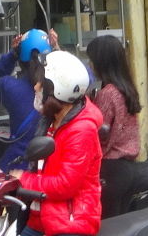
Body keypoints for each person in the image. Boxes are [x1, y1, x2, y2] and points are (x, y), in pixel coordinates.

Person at [11, 50, 103, 236]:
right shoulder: (52, 119)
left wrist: (23, 179)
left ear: (58, 90)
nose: (36, 88)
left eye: (42, 84)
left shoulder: (81, 129)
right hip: (40, 218)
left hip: (68, 223)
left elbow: (65, 184)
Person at [0, 29, 55, 169]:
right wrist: (58, 49)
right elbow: (85, 79)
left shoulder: (12, 88)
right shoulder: (60, 88)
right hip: (52, 168)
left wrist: (12, 55)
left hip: (19, 168)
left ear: (21, 61)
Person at [86, 35, 141, 217]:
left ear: (102, 62)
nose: (90, 65)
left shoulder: (107, 94)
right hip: (127, 170)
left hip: (110, 169)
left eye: (92, 60)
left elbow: (97, 134)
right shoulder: (126, 89)